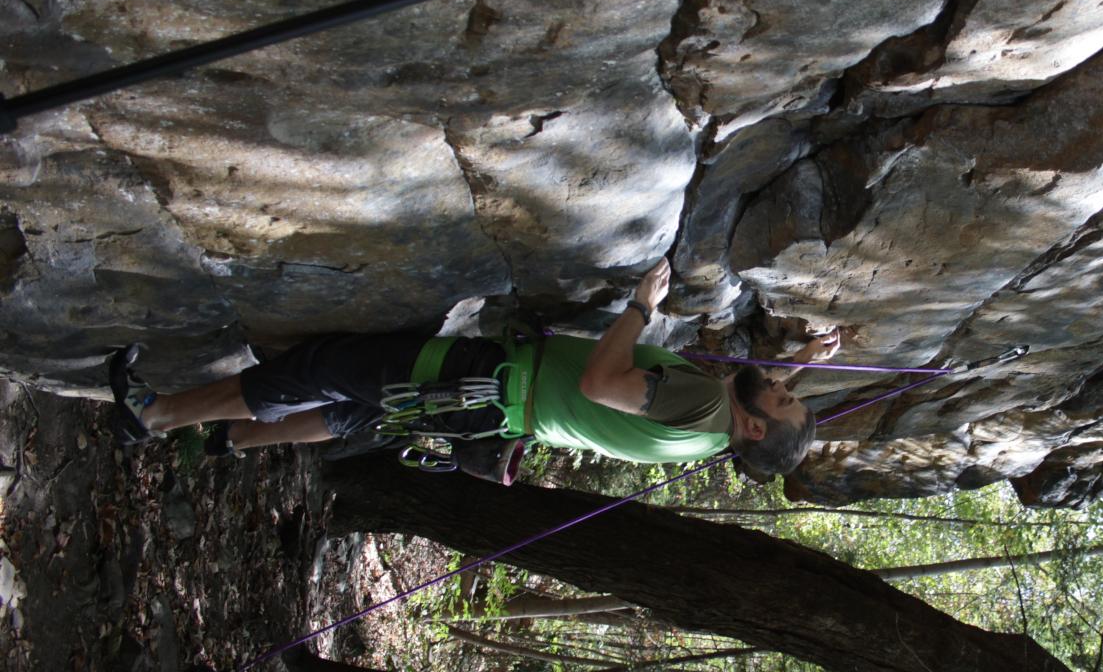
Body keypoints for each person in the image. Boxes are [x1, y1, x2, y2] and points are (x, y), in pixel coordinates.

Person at [108, 259, 840, 480]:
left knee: (325, 369)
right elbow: (756, 396)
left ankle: (155, 415)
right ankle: (232, 438)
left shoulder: (706, 409)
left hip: (481, 382)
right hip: (485, 409)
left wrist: (641, 307)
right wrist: (802, 362)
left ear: (753, 427)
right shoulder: (711, 435)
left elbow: (601, 383)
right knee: (348, 410)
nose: (778, 387)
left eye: (781, 397)